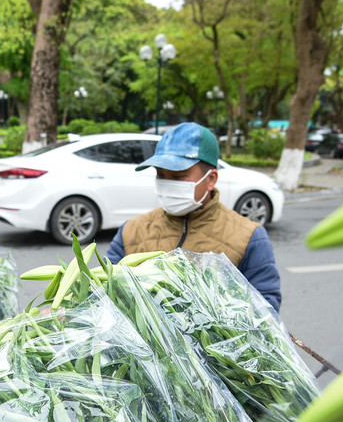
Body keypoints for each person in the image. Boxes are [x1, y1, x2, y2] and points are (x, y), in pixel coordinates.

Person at [106, 122, 282, 311]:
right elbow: (105, 296)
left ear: (211, 179)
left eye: (177, 176)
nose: (166, 183)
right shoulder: (131, 231)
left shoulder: (249, 237)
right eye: (161, 175)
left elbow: (266, 310)